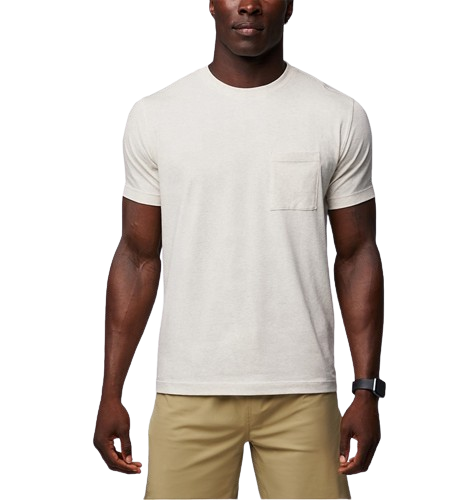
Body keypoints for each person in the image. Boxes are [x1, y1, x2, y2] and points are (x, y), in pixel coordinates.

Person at [93, 1, 384, 498]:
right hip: (188, 389)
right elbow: (137, 257)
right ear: (212, 3)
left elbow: (356, 255)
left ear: (289, 7)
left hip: (303, 390)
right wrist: (111, 392)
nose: (248, 3)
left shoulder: (338, 115)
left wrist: (366, 389)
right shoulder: (156, 115)